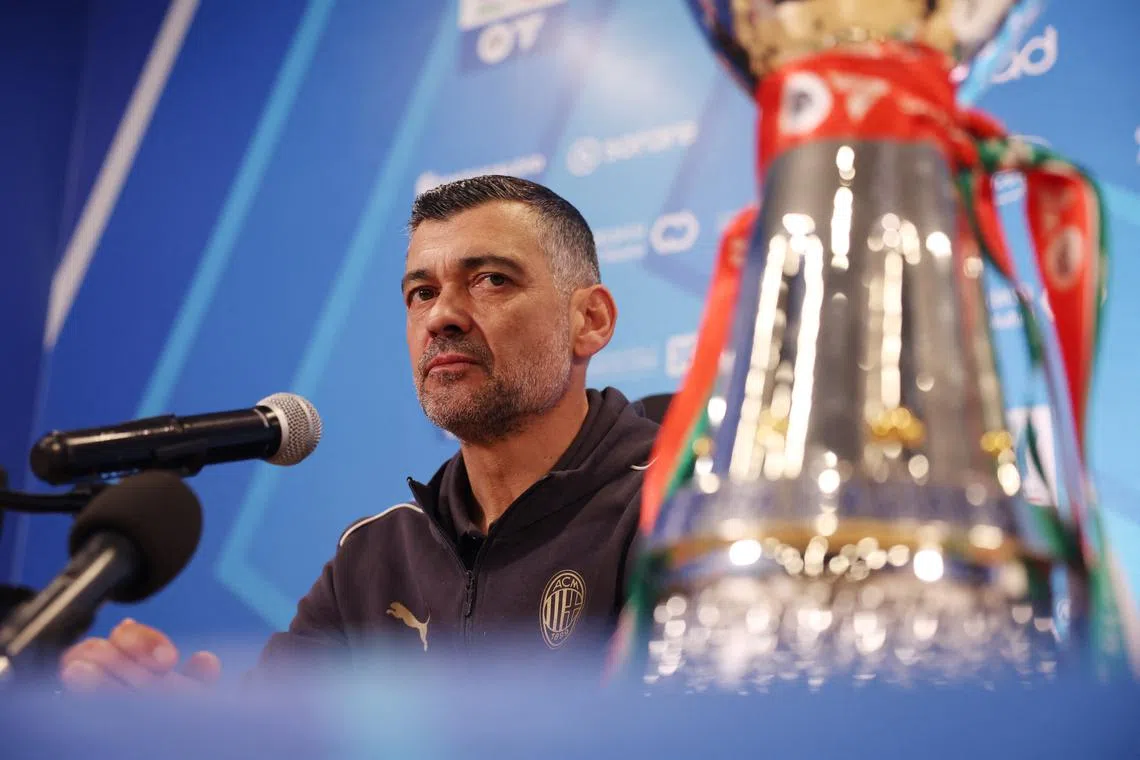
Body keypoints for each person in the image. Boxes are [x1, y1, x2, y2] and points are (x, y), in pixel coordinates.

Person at [57, 175, 660, 691]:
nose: (442, 316)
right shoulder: (375, 555)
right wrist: (180, 730)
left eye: (491, 280)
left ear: (590, 320)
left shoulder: (674, 510)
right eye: (421, 293)